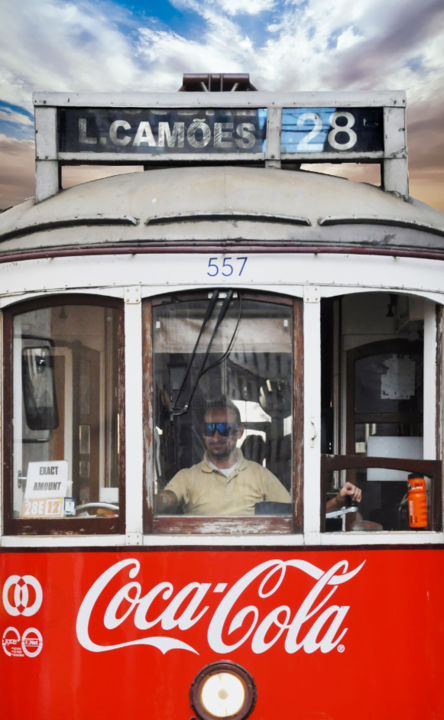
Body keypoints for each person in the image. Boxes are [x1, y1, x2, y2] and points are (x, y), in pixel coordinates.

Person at [155, 398, 291, 515]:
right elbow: (168, 498)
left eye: (223, 429)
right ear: (203, 433)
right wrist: (163, 500)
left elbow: (288, 512)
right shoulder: (187, 477)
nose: (216, 436)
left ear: (239, 432)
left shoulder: (260, 475)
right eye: (209, 429)